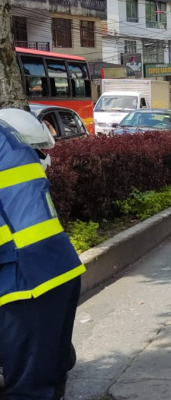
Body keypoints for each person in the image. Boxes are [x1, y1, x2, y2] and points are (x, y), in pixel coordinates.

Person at [0, 109, 84, 400]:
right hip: (60, 270)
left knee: (29, 391)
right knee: (50, 376)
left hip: (23, 285)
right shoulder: (8, 135)